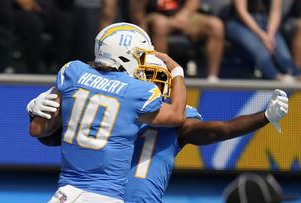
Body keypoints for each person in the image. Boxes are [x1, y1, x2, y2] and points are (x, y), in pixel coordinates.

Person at [28, 53, 289, 202]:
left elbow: (49, 138)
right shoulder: (164, 113)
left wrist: (35, 112)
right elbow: (221, 129)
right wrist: (264, 116)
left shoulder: (122, 106)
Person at [28, 22, 188, 202]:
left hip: (67, 193)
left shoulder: (74, 72)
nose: (144, 62)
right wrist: (177, 71)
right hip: (106, 196)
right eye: (140, 55)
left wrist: (34, 109)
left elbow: (36, 129)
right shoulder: (137, 92)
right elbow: (177, 115)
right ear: (123, 55)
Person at [146, 0, 225, 82]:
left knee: (216, 25)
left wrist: (184, 15)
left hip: (183, 14)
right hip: (156, 15)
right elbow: (138, 12)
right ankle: (160, 75)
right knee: (160, 24)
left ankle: (212, 78)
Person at [226, 0, 301, 82]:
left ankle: (297, 77)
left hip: (267, 24)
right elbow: (241, 11)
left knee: (283, 55)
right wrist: (261, 35)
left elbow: (275, 11)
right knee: (261, 52)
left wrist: (270, 35)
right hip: (240, 23)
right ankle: (277, 78)